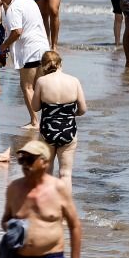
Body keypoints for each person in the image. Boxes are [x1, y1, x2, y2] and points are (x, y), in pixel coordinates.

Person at [0, 0, 49, 125]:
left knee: (27, 86)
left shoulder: (15, 7)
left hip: (29, 51)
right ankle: (45, 120)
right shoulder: (29, 1)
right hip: (43, 48)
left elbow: (17, 32)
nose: (1, 0)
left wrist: (4, 45)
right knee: (41, 87)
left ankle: (34, 121)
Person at [34, 50, 86, 189]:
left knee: (46, 171)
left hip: (47, 131)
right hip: (68, 130)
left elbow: (35, 107)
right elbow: (83, 109)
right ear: (60, 63)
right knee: (65, 173)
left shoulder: (41, 81)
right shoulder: (74, 81)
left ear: (43, 65)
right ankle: (64, 206)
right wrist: (70, 114)